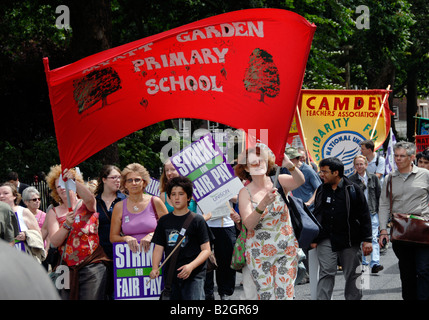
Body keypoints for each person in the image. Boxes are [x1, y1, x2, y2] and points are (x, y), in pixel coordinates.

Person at [234, 146, 305, 300]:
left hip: (285, 248)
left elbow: (300, 180)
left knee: (285, 295)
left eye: (262, 161)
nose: (259, 165)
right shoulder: (244, 192)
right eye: (253, 163)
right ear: (246, 167)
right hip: (258, 252)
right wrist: (263, 204)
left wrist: (289, 165)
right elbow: (249, 224)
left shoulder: (279, 181)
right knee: (266, 295)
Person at [312, 157, 372, 300]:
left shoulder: (353, 189)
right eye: (321, 171)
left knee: (353, 274)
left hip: (349, 239)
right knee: (326, 272)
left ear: (336, 173)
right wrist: (314, 237)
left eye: (325, 172)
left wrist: (367, 240)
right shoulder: (321, 189)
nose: (321, 175)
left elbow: (364, 215)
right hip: (326, 239)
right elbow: (317, 214)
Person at [45, 165, 109, 300]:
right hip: (66, 269)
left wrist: (73, 181)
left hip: (92, 265)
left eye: (64, 183)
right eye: (58, 186)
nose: (62, 188)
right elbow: (55, 241)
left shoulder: (86, 204)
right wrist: (66, 225)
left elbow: (91, 199)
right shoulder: (53, 212)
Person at [378, 141, 429, 300]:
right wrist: (383, 230)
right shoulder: (390, 178)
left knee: (424, 270)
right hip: (400, 232)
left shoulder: (425, 175)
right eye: (396, 156)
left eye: (402, 156)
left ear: (412, 157)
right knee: (407, 273)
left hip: (424, 231)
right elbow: (384, 204)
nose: (398, 159)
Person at [150, 176, 211, 300]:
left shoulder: (197, 220)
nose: (177, 198)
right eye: (173, 194)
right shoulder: (164, 221)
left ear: (188, 197)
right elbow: (159, 247)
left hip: (194, 275)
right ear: (169, 197)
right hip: (171, 274)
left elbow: (206, 250)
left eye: (181, 194)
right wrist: (155, 267)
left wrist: (191, 266)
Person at [110, 163, 168, 253]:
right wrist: (125, 238)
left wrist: (152, 235)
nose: (133, 183)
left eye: (137, 180)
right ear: (125, 184)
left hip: (156, 255)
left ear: (144, 182)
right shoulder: (119, 206)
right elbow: (113, 237)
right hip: (130, 259)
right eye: (129, 180)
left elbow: (169, 228)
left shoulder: (155, 202)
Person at [94, 165, 126, 299]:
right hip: (99, 255)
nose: (118, 180)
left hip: (121, 254)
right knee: (101, 293)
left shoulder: (125, 200)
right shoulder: (94, 201)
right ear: (104, 180)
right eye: (114, 177)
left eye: (120, 177)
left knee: (118, 294)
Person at [349, 155, 383, 273]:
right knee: (361, 239)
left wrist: (381, 213)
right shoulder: (351, 180)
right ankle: (363, 262)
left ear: (366, 165)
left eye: (361, 164)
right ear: (354, 166)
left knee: (373, 237)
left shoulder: (373, 178)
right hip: (358, 214)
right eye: (357, 164)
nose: (359, 166)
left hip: (372, 212)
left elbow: (379, 196)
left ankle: (375, 263)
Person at [0, 182, 44, 261]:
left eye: (5, 193)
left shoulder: (23, 212)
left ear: (14, 196)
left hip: (23, 258)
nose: (1, 196)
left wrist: (26, 235)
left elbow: (38, 235)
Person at [22, 186, 49, 269]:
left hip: (41, 251)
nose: (37, 201)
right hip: (28, 250)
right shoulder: (21, 215)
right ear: (26, 202)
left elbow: (48, 235)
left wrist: (46, 250)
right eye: (34, 199)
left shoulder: (45, 215)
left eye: (39, 199)